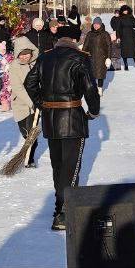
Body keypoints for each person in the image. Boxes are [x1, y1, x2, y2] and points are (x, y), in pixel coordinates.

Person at [24, 36, 100, 231]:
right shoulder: (80, 57)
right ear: (73, 45)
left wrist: (42, 103)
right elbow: (90, 87)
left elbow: (29, 83)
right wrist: (93, 111)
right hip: (73, 118)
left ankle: (60, 208)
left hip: (51, 120)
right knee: (71, 166)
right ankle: (65, 213)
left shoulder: (45, 57)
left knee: (58, 166)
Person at [10, 36, 41, 169]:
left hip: (36, 105)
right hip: (21, 104)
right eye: (21, 55)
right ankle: (26, 154)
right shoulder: (14, 66)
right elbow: (18, 88)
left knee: (32, 133)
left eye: (27, 54)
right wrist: (31, 102)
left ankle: (30, 158)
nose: (24, 57)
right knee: (25, 133)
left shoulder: (37, 63)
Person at [82, 17, 113, 94]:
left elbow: (109, 46)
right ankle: (93, 88)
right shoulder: (90, 34)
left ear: (101, 24)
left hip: (102, 57)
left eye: (98, 24)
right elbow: (85, 46)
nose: (96, 26)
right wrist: (82, 54)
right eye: (95, 24)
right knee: (91, 74)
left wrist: (108, 58)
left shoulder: (105, 34)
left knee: (100, 74)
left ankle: (99, 88)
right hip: (91, 57)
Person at [109, 4, 135, 70]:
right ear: (122, 11)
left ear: (128, 10)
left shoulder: (131, 17)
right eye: (124, 10)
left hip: (131, 36)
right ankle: (126, 65)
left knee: (134, 51)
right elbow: (118, 28)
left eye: (126, 10)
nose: (125, 11)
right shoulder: (120, 18)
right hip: (123, 36)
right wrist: (118, 37)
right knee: (124, 51)